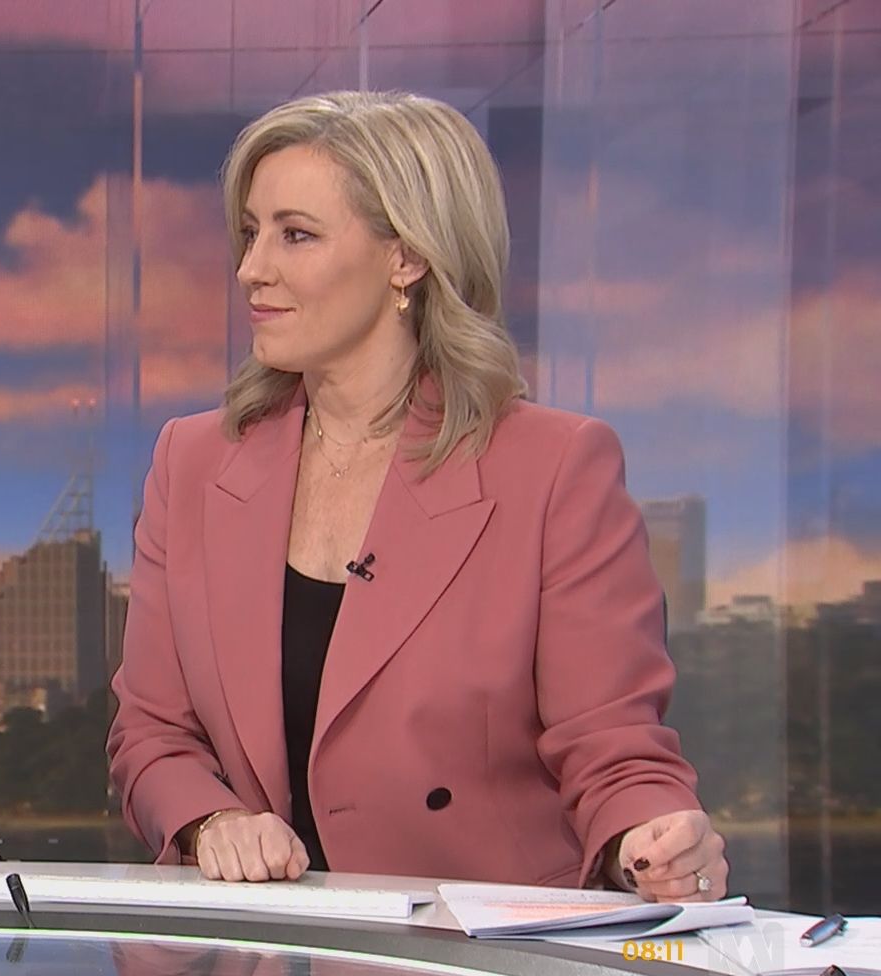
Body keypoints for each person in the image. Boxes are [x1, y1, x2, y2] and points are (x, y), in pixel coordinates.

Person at [105, 91, 726, 901]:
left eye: (296, 234)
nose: (252, 269)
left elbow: (612, 744)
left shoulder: (554, 468)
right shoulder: (192, 462)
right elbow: (152, 734)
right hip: (262, 948)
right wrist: (211, 820)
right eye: (251, 233)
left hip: (474, 952)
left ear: (406, 257)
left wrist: (651, 840)